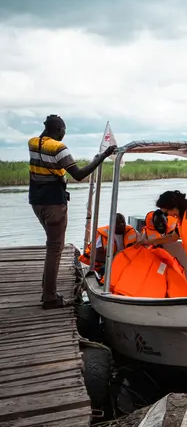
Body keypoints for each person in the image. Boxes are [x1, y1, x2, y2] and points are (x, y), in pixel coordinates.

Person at [29, 114, 116, 308]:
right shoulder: (58, 148)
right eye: (64, 130)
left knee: (52, 245)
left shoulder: (33, 143)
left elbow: (44, 148)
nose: (64, 134)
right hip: (54, 204)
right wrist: (102, 157)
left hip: (37, 203)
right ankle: (50, 297)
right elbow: (78, 174)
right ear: (59, 130)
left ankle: (47, 291)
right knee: (55, 249)